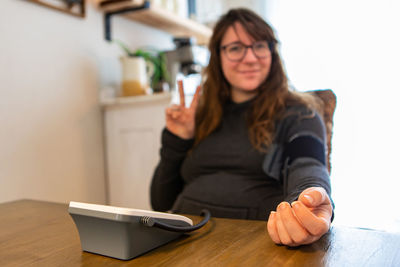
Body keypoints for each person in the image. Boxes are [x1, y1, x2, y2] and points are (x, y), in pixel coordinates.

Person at [151, 8, 333, 246]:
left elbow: (306, 164)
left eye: (259, 45)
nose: (249, 58)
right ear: (218, 56)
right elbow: (160, 202)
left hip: (253, 245)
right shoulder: (200, 114)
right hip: (182, 239)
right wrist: (177, 140)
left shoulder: (300, 112)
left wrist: (310, 197)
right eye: (235, 48)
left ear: (271, 52)